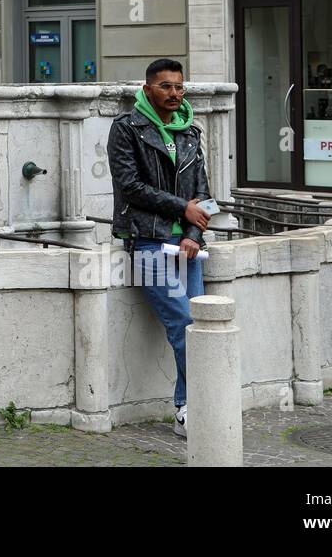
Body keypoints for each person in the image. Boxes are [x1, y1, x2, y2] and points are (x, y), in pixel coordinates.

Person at [108, 58, 212, 439]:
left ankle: (191, 405)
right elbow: (130, 186)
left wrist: (193, 233)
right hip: (148, 241)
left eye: (179, 87)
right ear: (148, 88)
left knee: (199, 327)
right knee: (184, 324)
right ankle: (190, 408)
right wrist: (181, 208)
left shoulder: (191, 132)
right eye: (166, 87)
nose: (174, 94)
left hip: (187, 246)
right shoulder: (127, 129)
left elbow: (203, 194)